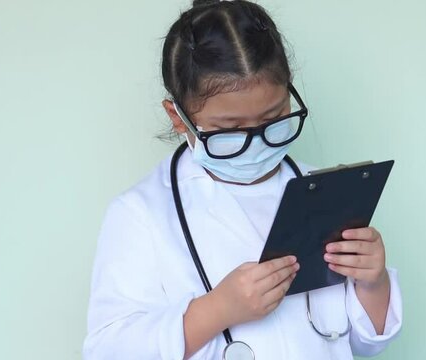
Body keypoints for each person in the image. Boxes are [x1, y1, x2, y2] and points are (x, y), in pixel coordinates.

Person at [83, 1, 402, 359]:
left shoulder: (321, 192)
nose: (256, 140)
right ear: (178, 117)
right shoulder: (140, 214)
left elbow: (365, 341)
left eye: (272, 118)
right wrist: (218, 310)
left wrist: (373, 282)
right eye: (230, 129)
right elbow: (107, 351)